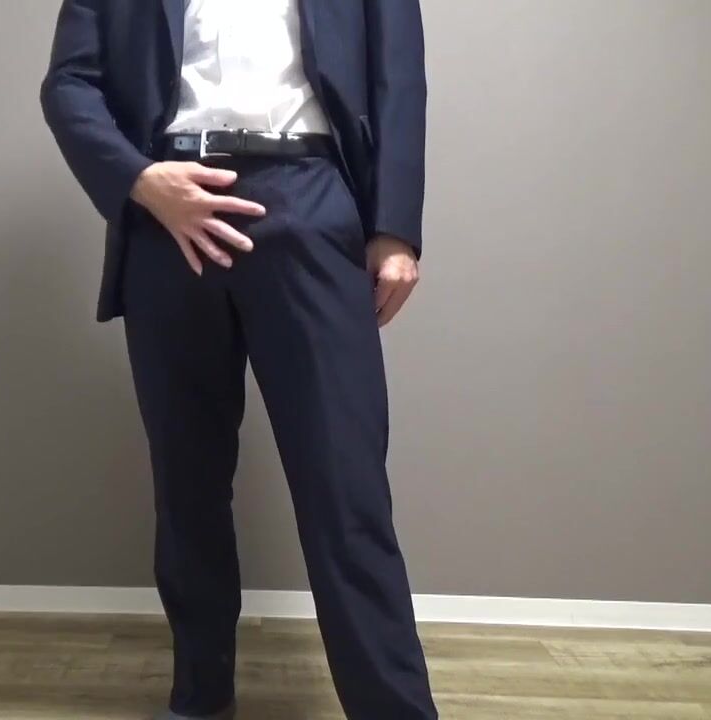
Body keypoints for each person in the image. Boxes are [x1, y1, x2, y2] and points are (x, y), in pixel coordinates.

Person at [39, 1, 436, 717]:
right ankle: (200, 698)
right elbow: (69, 82)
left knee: (345, 489)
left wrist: (395, 228)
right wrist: (139, 179)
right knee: (187, 487)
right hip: (167, 214)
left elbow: (398, 78)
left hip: (309, 199)